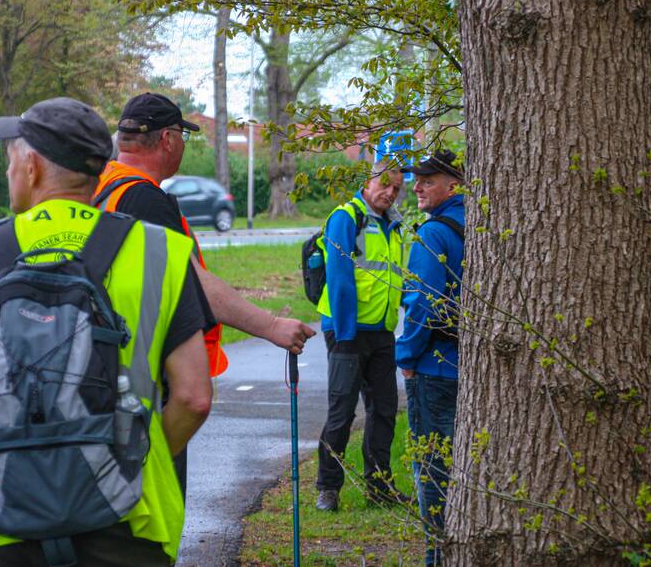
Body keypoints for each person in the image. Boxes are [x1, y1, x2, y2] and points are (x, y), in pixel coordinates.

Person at [0, 97, 213, 566]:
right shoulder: (161, 252)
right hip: (129, 520)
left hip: (1, 524)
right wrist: (131, 458)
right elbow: (195, 396)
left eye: (10, 155)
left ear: (30, 165)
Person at [93, 92, 315, 494]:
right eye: (182, 136)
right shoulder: (144, 198)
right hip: (146, 379)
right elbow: (190, 280)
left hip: (107, 369)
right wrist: (270, 326)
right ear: (167, 140)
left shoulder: (101, 189)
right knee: (148, 509)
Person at [314, 164, 408, 512]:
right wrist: (347, 334)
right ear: (366, 182)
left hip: (382, 332)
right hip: (345, 332)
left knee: (384, 410)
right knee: (342, 413)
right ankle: (328, 488)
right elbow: (340, 279)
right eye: (385, 185)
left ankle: (380, 486)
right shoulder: (346, 217)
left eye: (397, 189)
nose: (390, 193)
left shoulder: (394, 226)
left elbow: (396, 279)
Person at [397, 150, 465, 567]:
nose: (417, 186)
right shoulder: (478, 224)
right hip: (467, 366)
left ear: (453, 185)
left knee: (434, 473)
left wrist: (406, 354)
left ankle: (437, 558)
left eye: (429, 180)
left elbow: (423, 304)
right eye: (417, 179)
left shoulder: (433, 234)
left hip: (434, 367)